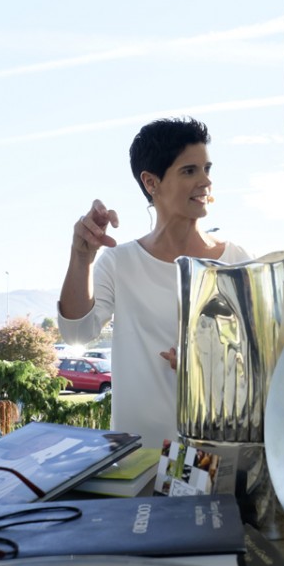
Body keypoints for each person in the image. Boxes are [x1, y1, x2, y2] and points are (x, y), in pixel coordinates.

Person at [58, 117, 251, 447]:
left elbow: (258, 362)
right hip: (138, 458)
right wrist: (81, 256)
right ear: (151, 182)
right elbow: (77, 333)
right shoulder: (119, 262)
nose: (205, 181)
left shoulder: (236, 260)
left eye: (206, 169)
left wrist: (207, 365)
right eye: (189, 171)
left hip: (219, 454)